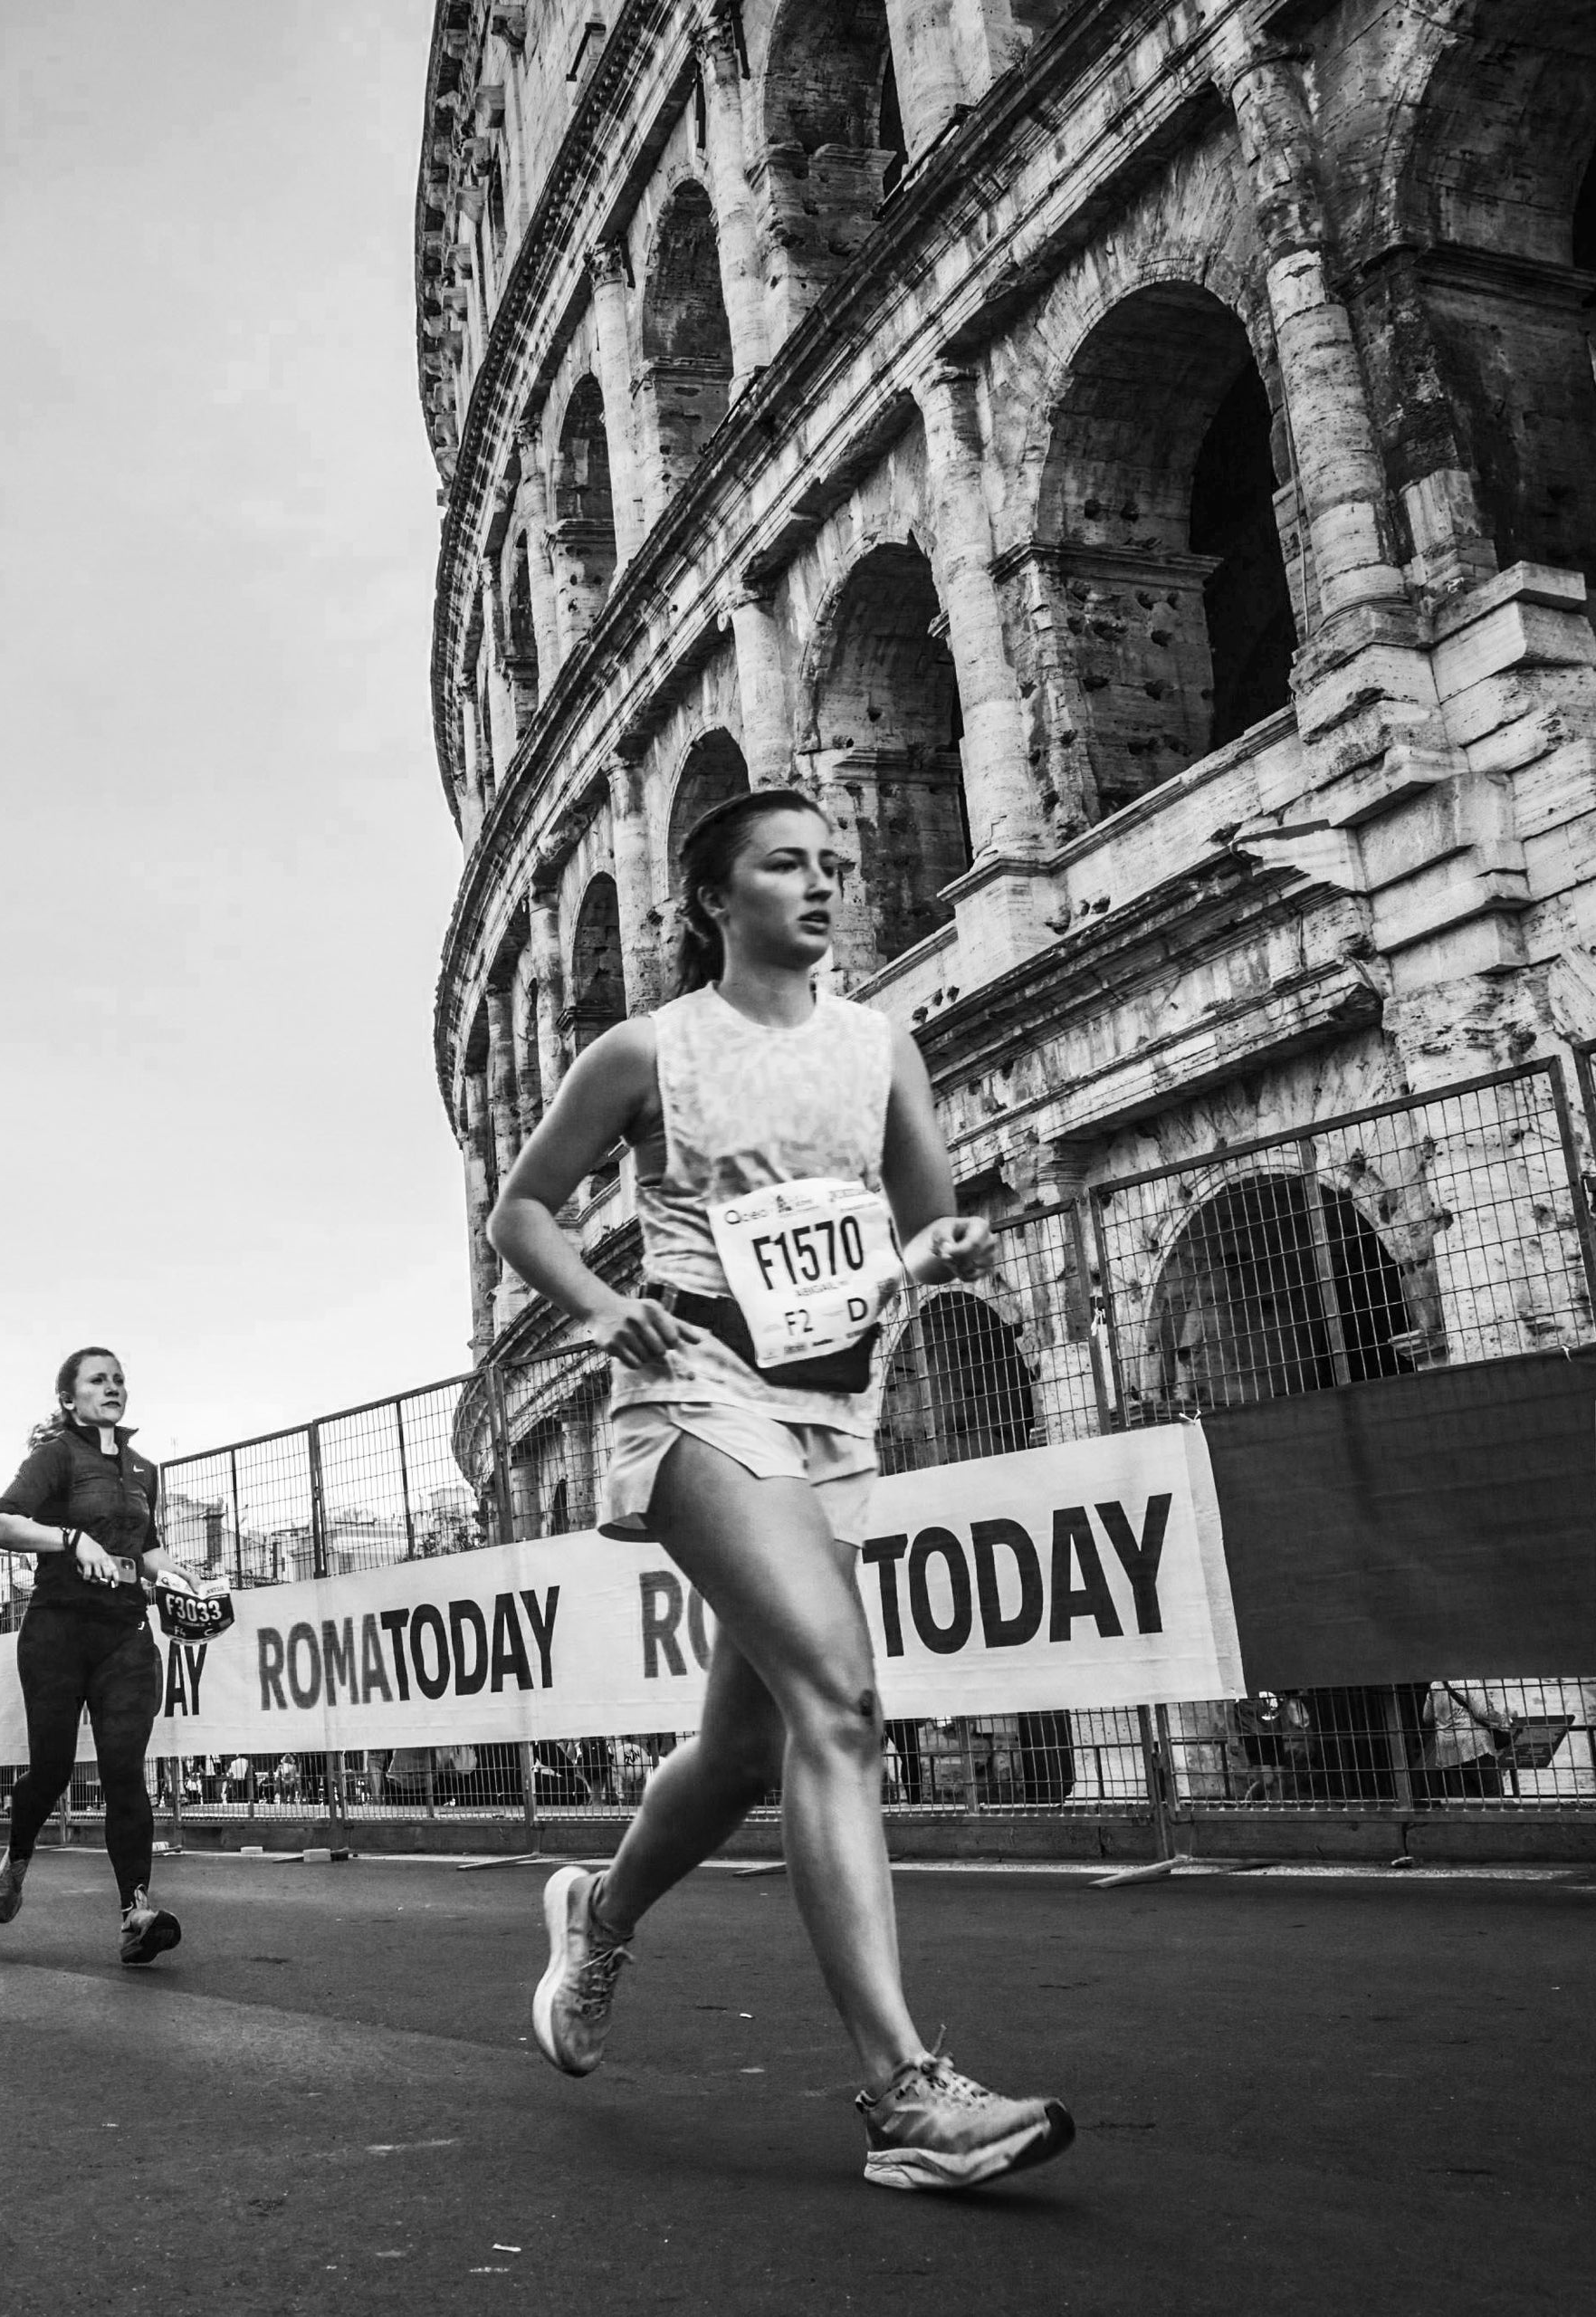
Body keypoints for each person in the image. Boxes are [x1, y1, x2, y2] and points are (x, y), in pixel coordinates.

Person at [485, 788, 1073, 2193]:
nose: (823, 886)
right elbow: (521, 1208)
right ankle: (904, 2090)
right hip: (694, 1396)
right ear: (712, 898)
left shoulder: (879, 1044)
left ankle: (600, 1914)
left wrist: (960, 1243)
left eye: (835, 864)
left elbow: (927, 1219)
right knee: (843, 1703)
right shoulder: (648, 1049)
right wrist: (597, 1307)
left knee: (750, 1749)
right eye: (787, 864)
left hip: (833, 1414)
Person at [0, 1346, 199, 1966]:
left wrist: (179, 1574)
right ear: (70, 1399)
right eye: (97, 1379)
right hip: (57, 1631)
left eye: (119, 1378)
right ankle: (17, 1857)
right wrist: (71, 1539)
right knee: (50, 1771)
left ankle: (136, 1911)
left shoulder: (144, 1470)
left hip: (125, 1632)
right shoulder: (55, 1456)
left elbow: (148, 1550)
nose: (113, 1386)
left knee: (125, 1770)